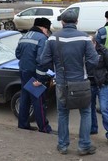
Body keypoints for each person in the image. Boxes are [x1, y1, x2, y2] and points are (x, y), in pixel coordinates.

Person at [41, 10, 99, 156]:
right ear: (77, 22)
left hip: (62, 82)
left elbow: (43, 60)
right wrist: (84, 70)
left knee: (63, 113)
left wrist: (56, 69)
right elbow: (94, 60)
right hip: (81, 82)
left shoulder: (53, 39)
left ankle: (62, 145)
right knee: (85, 113)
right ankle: (84, 145)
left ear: (62, 22)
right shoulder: (85, 38)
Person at [15, 17, 53, 133]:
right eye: (47, 30)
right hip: (34, 74)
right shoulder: (42, 39)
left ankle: (23, 124)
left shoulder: (23, 37)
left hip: (23, 72)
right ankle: (44, 128)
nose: (47, 32)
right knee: (39, 101)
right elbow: (42, 60)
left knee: (25, 99)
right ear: (43, 28)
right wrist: (41, 79)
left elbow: (17, 54)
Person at [88, 36, 108, 143]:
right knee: (89, 108)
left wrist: (106, 80)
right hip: (89, 84)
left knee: (105, 108)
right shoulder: (83, 50)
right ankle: (93, 128)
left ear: (94, 42)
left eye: (89, 43)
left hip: (102, 85)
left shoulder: (103, 51)